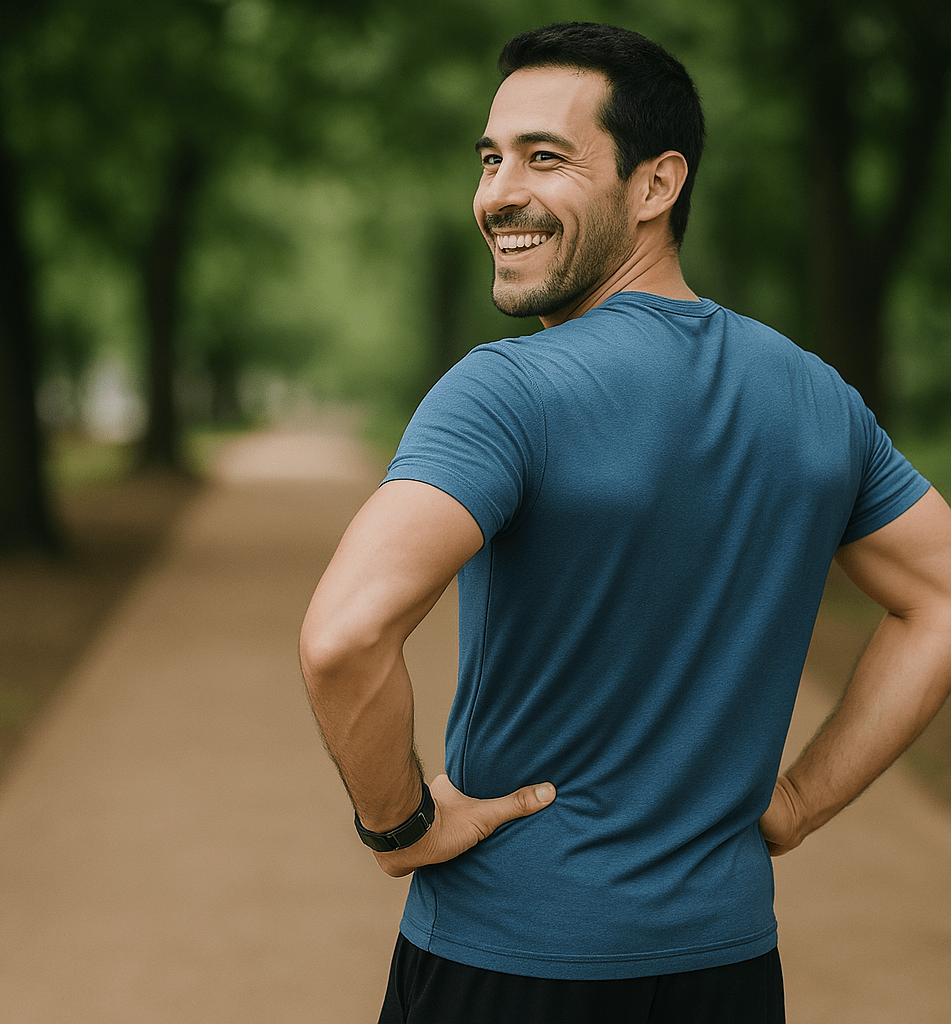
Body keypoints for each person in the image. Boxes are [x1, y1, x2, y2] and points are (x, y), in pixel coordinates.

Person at [299, 22, 951, 1024]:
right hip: (725, 967)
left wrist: (400, 827)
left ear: (655, 186)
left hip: (507, 961)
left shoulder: (505, 391)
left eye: (544, 157)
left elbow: (344, 637)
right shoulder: (816, 397)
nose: (496, 193)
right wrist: (796, 804)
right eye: (489, 156)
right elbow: (940, 595)